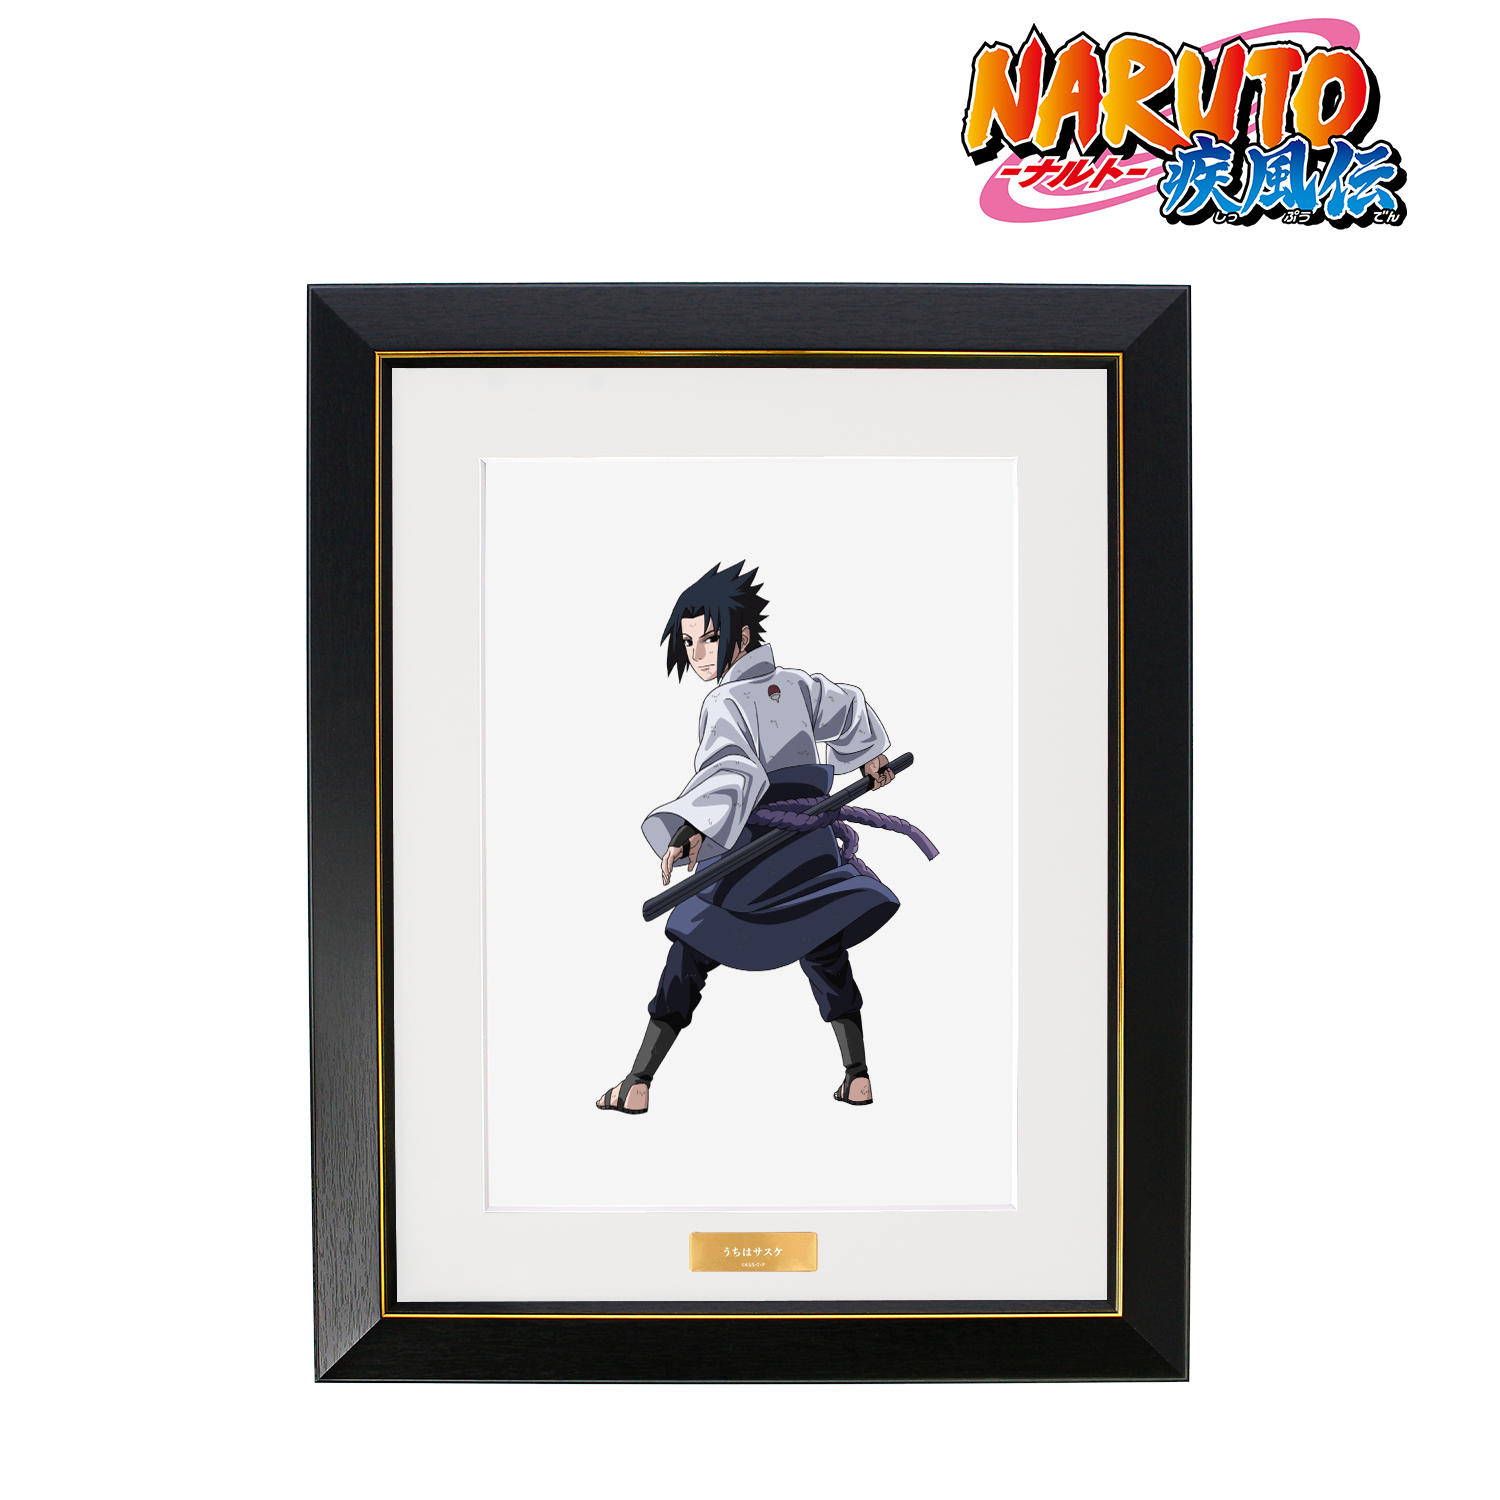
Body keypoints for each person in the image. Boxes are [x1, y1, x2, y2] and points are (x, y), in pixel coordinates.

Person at [596, 561, 903, 1117]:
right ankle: (857, 1076)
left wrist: (694, 827)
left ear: (741, 635)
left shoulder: (726, 702)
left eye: (709, 638)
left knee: (690, 946)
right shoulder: (799, 685)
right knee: (822, 939)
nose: (697, 654)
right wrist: (870, 756)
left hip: (755, 852)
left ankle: (638, 1082)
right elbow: (847, 706)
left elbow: (731, 772)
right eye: (688, 642)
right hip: (809, 851)